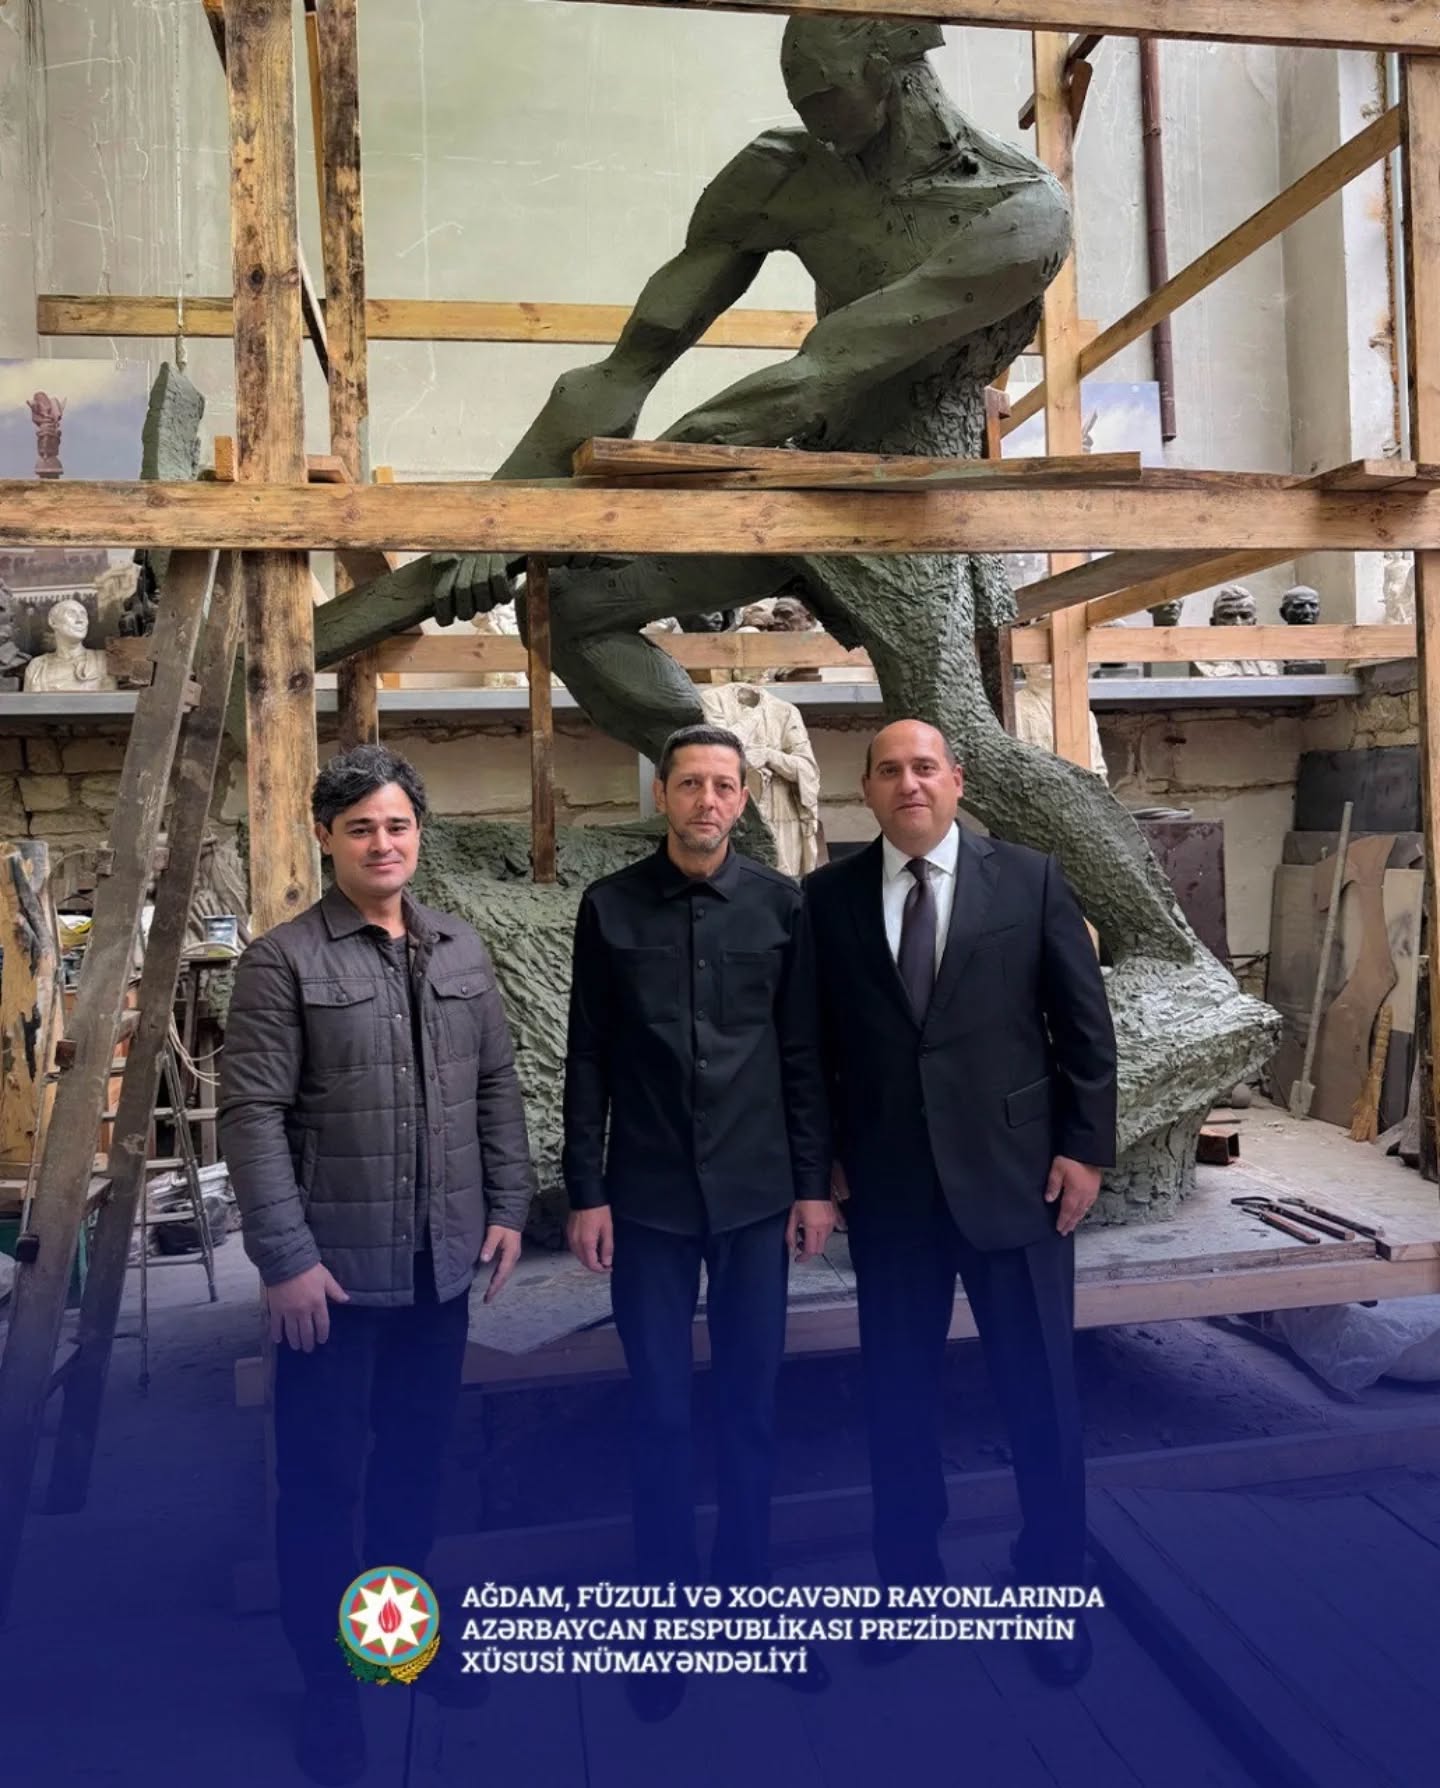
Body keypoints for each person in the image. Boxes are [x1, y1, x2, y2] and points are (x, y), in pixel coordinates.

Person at [219, 745, 534, 1785]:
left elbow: (497, 1085)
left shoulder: (459, 948)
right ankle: (328, 1688)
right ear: (326, 838)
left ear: (419, 834)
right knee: (320, 1486)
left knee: (410, 1471)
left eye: (397, 825)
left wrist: (507, 1206)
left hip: (439, 1271)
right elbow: (251, 1117)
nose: (382, 843)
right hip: (333, 1285)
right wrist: (285, 1259)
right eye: (360, 828)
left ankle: (392, 1649)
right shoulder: (282, 962)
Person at [805, 720, 1116, 1687]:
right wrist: (820, 1161)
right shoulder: (826, 898)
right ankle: (908, 1586)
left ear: (957, 780)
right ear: (867, 789)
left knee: (1041, 1396)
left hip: (1020, 1185)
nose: (909, 783)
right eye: (889, 770)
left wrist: (1085, 1148)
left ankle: (1050, 1584)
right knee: (898, 1400)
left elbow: (1084, 1026)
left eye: (925, 767)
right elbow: (810, 1046)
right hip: (890, 1190)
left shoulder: (1028, 880)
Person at [563, 723, 833, 1720]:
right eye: (690, 784)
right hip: (648, 1202)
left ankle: (750, 1598)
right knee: (662, 1413)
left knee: (752, 1409)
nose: (707, 801)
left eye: (724, 785)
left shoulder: (780, 906)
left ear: (743, 799)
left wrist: (813, 1185)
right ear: (662, 796)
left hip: (758, 1198)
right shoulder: (609, 907)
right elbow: (587, 1057)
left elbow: (802, 1053)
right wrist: (585, 1190)